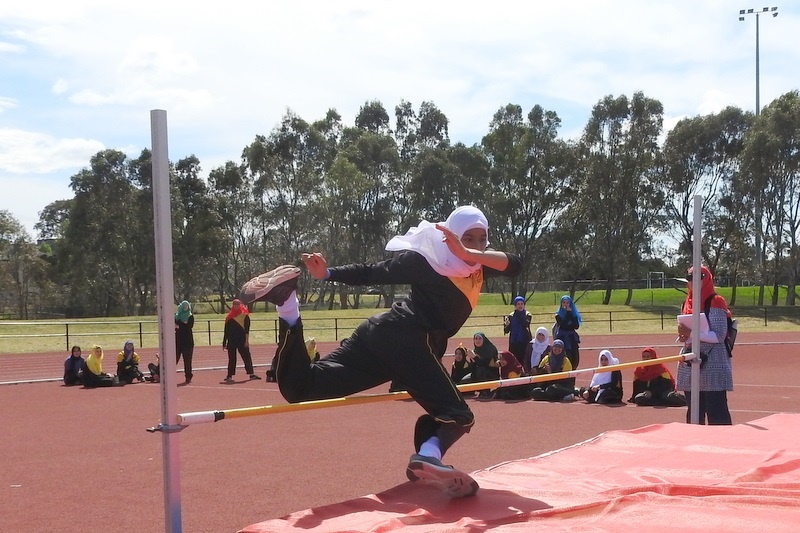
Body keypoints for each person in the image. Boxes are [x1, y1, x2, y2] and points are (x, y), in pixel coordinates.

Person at [242, 205, 522, 498]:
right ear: (451, 235)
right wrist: (327, 273)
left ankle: (286, 303)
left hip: (382, 339)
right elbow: (374, 271)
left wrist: (470, 255)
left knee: (302, 388)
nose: (476, 245)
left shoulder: (477, 265)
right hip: (408, 340)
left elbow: (515, 263)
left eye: (481, 239)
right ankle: (428, 457)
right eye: (468, 238)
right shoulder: (428, 261)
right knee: (458, 415)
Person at [676, 266, 733, 425]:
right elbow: (688, 334)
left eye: (698, 276)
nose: (693, 281)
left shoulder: (716, 301)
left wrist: (691, 333)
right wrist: (683, 336)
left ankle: (723, 444)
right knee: (694, 413)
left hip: (713, 363)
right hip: (691, 363)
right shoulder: (686, 303)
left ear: (707, 278)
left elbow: (719, 336)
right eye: (689, 277)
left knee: (716, 412)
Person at [221, 298, 261, 383]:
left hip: (242, 339)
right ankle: (229, 376)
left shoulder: (244, 315)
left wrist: (246, 341)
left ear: (240, 305)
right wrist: (224, 342)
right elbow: (226, 331)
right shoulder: (229, 317)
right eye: (234, 304)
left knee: (246, 356)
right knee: (232, 358)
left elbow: (247, 329)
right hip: (231, 340)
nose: (236, 306)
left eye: (237, 304)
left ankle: (251, 374)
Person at [503, 296, 532, 366]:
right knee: (514, 358)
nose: (520, 306)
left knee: (524, 358)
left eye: (522, 304)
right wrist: (506, 325)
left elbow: (525, 324)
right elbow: (506, 330)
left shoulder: (528, 314)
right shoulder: (511, 316)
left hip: (524, 340)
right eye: (518, 304)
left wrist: (518, 314)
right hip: (514, 341)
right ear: (515, 305)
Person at [554, 295, 581, 369]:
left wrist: (571, 314)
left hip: (572, 338)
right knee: (565, 356)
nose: (565, 304)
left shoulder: (574, 314)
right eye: (564, 303)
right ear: (561, 304)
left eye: (567, 303)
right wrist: (568, 314)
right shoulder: (558, 315)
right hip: (562, 338)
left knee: (574, 356)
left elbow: (576, 326)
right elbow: (563, 325)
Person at [174, 300, 195, 383]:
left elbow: (189, 326)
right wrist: (182, 325)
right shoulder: (176, 316)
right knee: (174, 359)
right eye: (184, 306)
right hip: (178, 340)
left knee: (187, 360)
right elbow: (175, 325)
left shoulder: (190, 316)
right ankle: (168, 375)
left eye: (186, 306)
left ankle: (188, 376)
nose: (185, 307)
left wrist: (179, 326)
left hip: (188, 341)